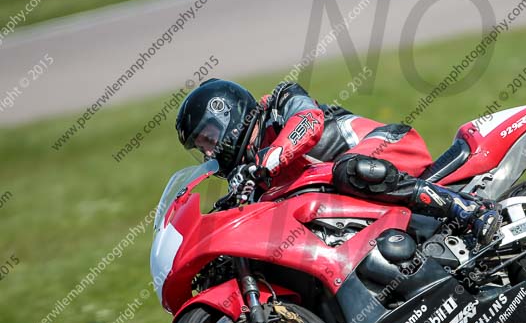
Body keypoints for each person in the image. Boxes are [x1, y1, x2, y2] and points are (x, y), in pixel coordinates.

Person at [175, 79, 500, 245]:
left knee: (350, 169)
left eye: (207, 139)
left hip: (387, 149)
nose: (207, 153)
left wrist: (265, 163)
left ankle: (469, 209)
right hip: (367, 195)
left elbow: (308, 122)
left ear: (227, 116)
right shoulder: (254, 178)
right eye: (200, 147)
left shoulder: (279, 101)